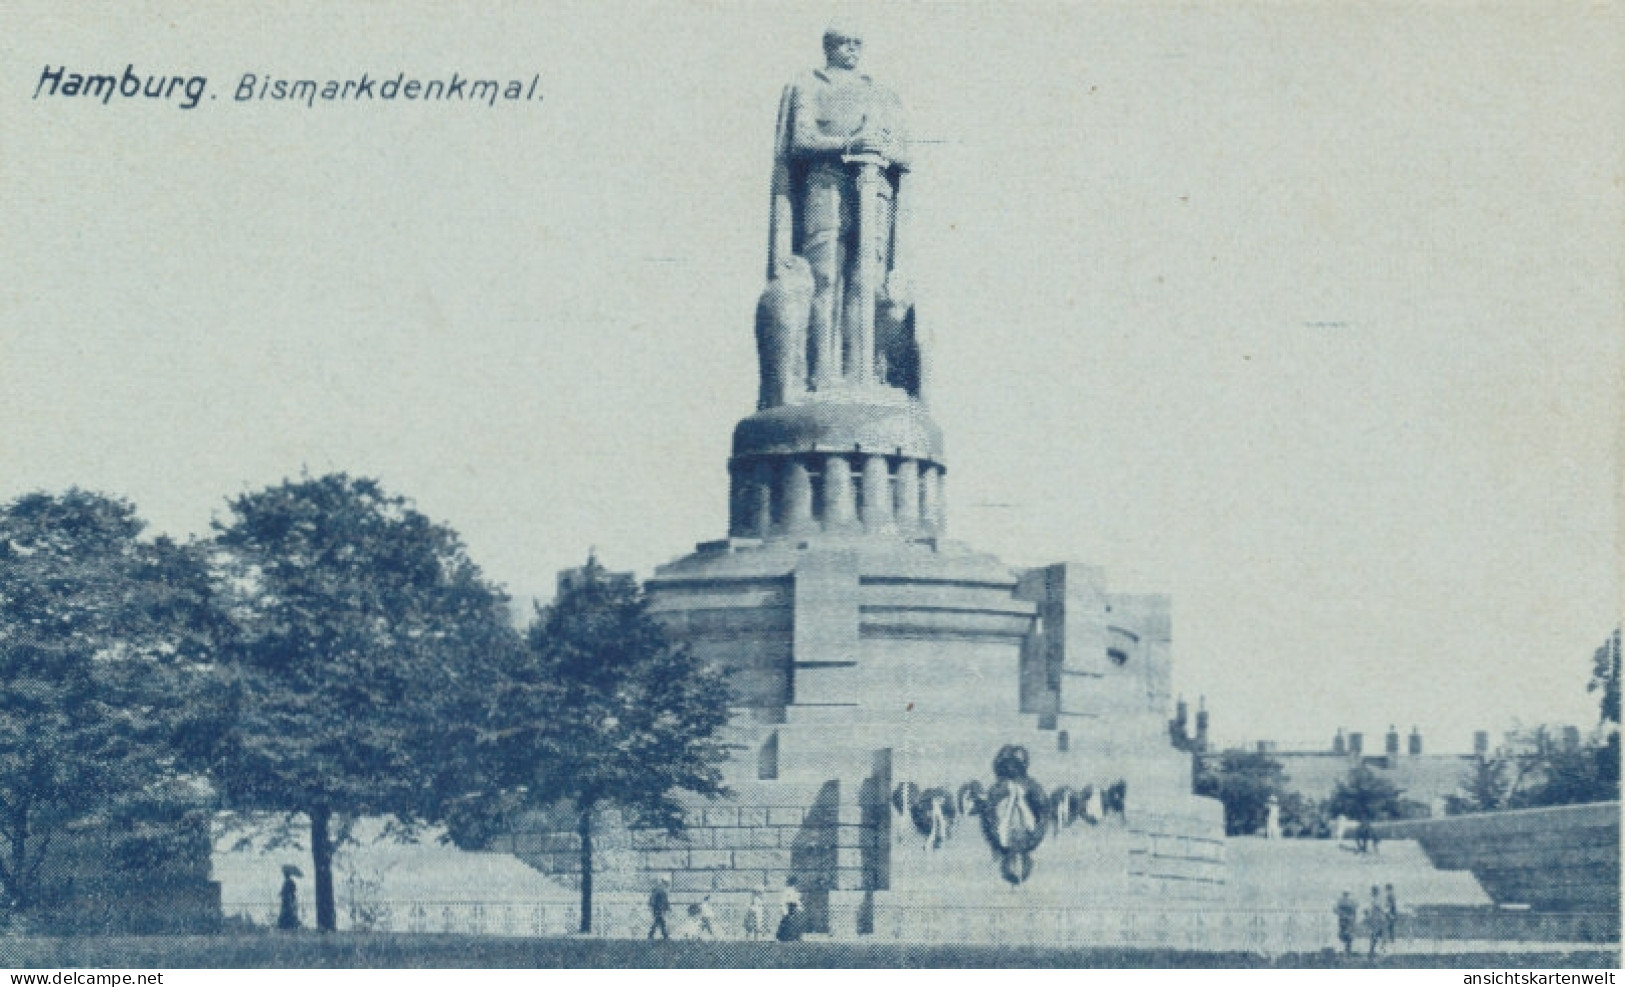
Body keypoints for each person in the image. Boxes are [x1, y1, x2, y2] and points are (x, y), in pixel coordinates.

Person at [768, 22, 915, 395]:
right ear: (828, 47)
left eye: (856, 43)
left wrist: (879, 152)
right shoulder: (810, 85)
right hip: (826, 184)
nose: (851, 49)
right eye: (843, 43)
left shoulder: (880, 94)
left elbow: (903, 154)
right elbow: (799, 140)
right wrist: (850, 143)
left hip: (873, 191)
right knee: (825, 277)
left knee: (866, 280)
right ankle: (820, 373)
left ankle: (861, 373)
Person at [277, 865, 301, 931]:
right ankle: (288, 925)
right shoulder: (288, 882)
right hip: (287, 899)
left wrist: (284, 893)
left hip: (288, 900)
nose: (284, 875)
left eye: (285, 873)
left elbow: (290, 891)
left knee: (287, 913)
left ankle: (287, 926)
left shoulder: (289, 882)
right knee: (287, 913)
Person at [1334, 890, 1357, 955]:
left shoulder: (1343, 901)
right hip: (1345, 919)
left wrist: (1341, 913)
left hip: (1346, 919)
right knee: (1346, 933)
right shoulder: (1347, 901)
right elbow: (1335, 910)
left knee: (1347, 933)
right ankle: (1347, 949)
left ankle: (1347, 949)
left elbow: (1335, 910)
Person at [1365, 886, 1385, 957]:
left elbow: (1371, 910)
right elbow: (1379, 908)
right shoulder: (1376, 900)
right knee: (1376, 935)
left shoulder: (1375, 899)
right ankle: (1372, 951)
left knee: (1376, 935)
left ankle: (1373, 951)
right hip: (1377, 920)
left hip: (1376, 919)